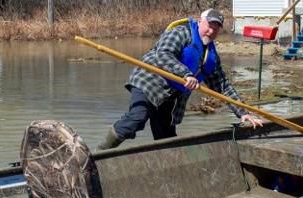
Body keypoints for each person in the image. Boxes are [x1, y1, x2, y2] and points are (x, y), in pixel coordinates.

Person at [98, 9, 264, 150]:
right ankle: (99, 153)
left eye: (215, 29)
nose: (211, 32)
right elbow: (163, 54)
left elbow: (223, 86)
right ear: (200, 21)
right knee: (136, 119)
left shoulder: (211, 56)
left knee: (167, 139)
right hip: (149, 82)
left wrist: (243, 113)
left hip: (171, 96)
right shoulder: (181, 32)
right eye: (209, 26)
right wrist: (186, 74)